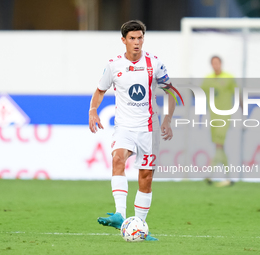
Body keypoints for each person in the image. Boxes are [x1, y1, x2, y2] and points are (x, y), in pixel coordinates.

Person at [88, 20, 176, 241]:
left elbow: (171, 93)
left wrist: (167, 120)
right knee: (118, 158)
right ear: (124, 40)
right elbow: (100, 90)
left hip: (149, 128)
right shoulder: (114, 65)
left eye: (140, 38)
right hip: (124, 127)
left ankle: (140, 227)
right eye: (132, 38)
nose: (136, 42)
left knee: (145, 178)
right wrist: (93, 110)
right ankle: (120, 214)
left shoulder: (154, 64)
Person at [201, 56, 238, 187]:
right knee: (220, 146)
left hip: (224, 116)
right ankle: (228, 177)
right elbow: (200, 93)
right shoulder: (208, 79)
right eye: (213, 63)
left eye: (217, 63)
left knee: (218, 144)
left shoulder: (228, 78)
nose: (215, 65)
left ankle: (210, 174)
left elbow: (237, 93)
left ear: (221, 64)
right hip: (213, 116)